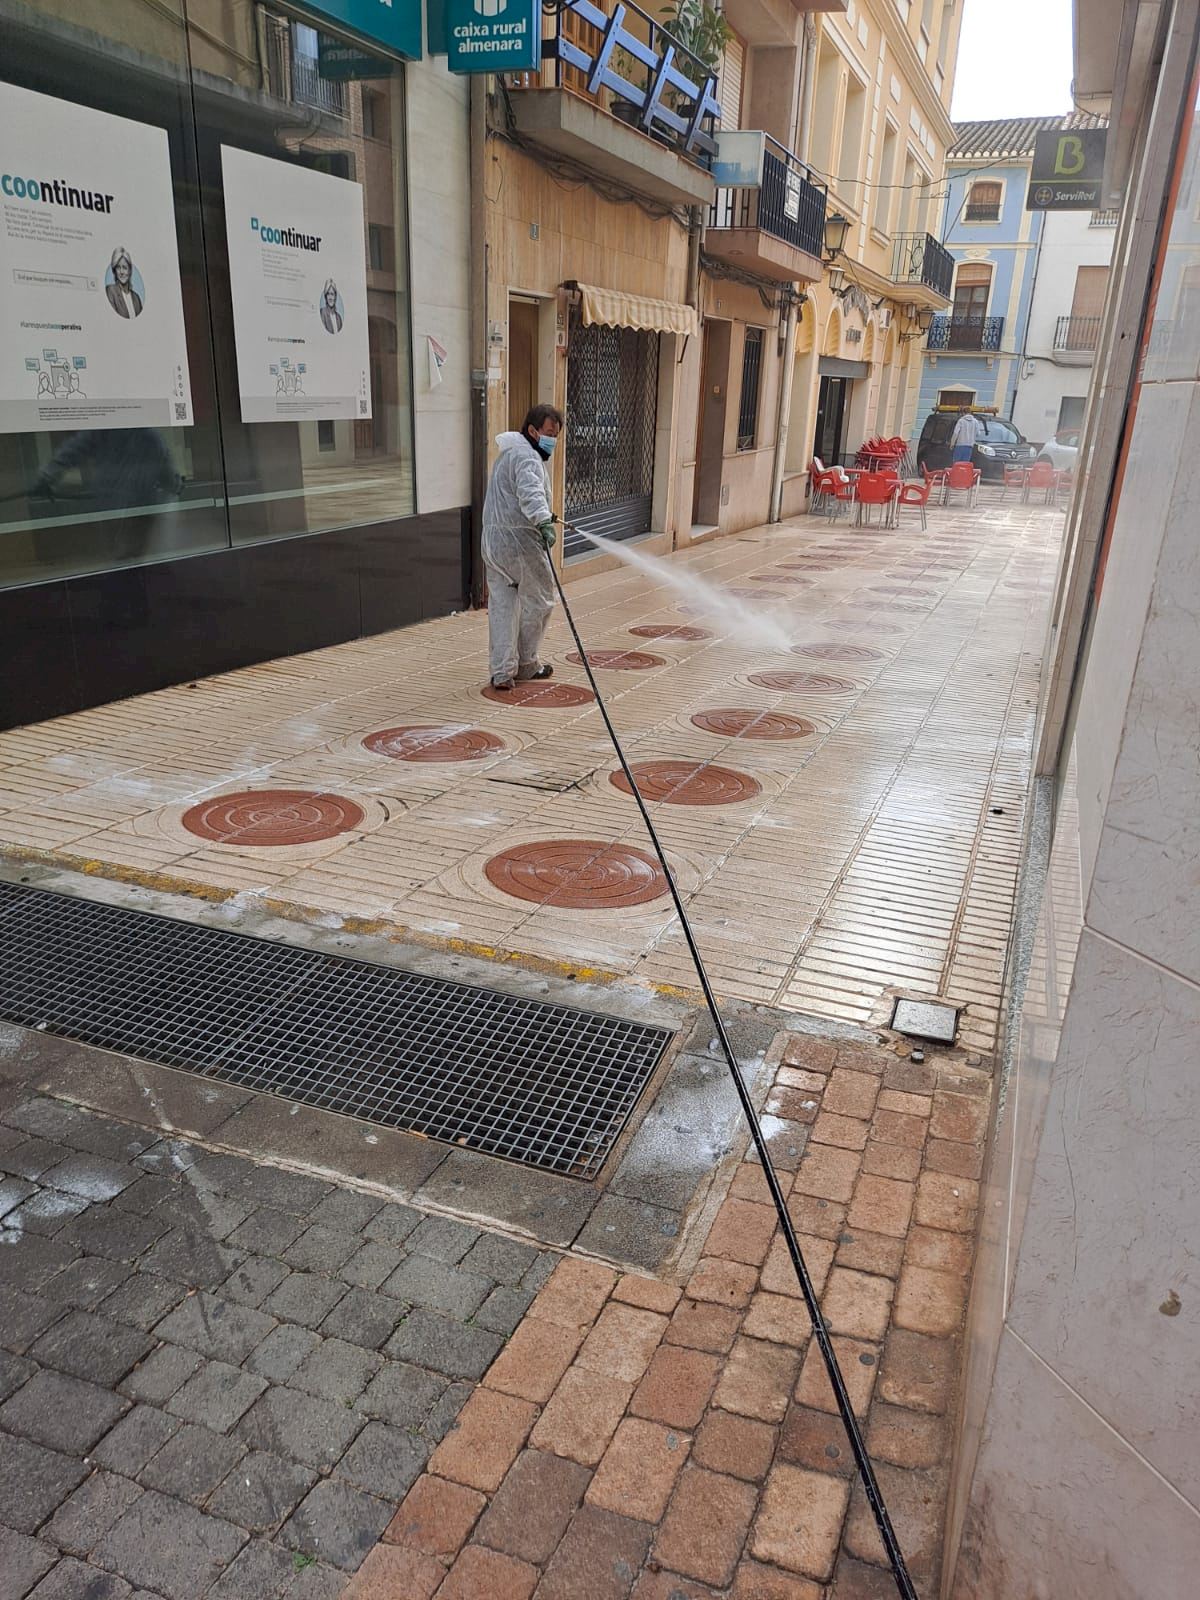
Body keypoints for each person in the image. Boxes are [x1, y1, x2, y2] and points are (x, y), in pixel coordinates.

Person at [481, 403, 562, 691]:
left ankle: (502, 672)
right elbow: (529, 491)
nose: (552, 440)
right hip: (521, 544)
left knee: (503, 605)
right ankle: (527, 663)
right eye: (549, 433)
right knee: (540, 601)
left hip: (494, 544)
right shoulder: (527, 456)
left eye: (556, 435)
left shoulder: (508, 454)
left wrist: (543, 515)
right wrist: (543, 521)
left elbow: (514, 495)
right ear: (532, 430)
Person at [106, 248, 143, 318]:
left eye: (125, 267)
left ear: (130, 271)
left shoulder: (136, 298)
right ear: (114, 271)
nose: (121, 272)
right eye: (118, 267)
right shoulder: (111, 291)